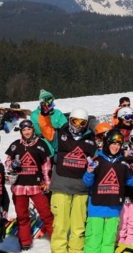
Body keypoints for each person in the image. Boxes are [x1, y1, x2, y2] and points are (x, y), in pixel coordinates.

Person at [39, 107, 98, 253]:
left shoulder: (90, 140)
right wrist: (44, 114)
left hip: (81, 188)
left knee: (78, 226)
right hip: (61, 186)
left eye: (82, 123)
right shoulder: (61, 135)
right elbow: (46, 128)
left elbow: (97, 160)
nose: (77, 125)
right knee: (60, 225)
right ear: (70, 120)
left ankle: (76, 250)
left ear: (86, 124)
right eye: (75, 121)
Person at [83, 129, 133, 253]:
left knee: (109, 240)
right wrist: (89, 172)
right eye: (113, 143)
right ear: (107, 143)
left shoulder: (123, 163)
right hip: (97, 206)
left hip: (114, 207)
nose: (116, 147)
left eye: (118, 144)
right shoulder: (97, 160)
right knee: (94, 239)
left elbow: (131, 180)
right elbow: (87, 182)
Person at [5, 119, 55, 250]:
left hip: (37, 186)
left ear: (33, 130)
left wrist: (47, 182)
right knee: (22, 216)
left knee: (46, 214)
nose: (27, 132)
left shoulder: (41, 144)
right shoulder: (16, 145)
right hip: (19, 187)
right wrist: (12, 165)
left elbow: (46, 165)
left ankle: (56, 241)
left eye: (29, 129)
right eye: (24, 130)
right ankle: (25, 242)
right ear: (21, 131)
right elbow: (7, 162)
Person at [31, 89, 68, 157]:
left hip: (57, 140)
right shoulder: (35, 114)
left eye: (51, 99)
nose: (50, 102)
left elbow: (65, 127)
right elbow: (38, 131)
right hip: (43, 141)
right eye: (47, 100)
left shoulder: (57, 113)